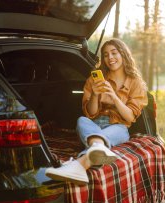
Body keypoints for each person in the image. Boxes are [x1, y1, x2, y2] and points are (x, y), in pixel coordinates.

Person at [45, 39, 148, 185]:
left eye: (114, 53)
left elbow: (130, 117)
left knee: (104, 135)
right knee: (81, 120)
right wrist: (94, 94)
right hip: (93, 125)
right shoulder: (95, 79)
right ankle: (98, 148)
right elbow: (90, 114)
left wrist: (114, 97)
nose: (110, 58)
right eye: (106, 55)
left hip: (118, 127)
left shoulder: (135, 83)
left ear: (123, 54)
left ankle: (78, 165)